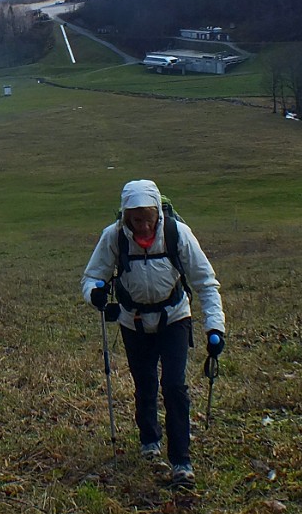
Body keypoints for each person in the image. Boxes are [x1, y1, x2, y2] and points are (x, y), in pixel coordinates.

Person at [82, 179, 226, 487]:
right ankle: (149, 441)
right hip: (132, 321)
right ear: (125, 217)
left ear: (159, 213)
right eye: (136, 220)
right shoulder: (114, 237)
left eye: (149, 218)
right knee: (144, 383)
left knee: (174, 386)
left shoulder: (177, 234)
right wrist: (94, 294)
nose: (144, 226)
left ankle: (181, 462)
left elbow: (205, 282)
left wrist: (215, 326)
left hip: (174, 317)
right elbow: (94, 275)